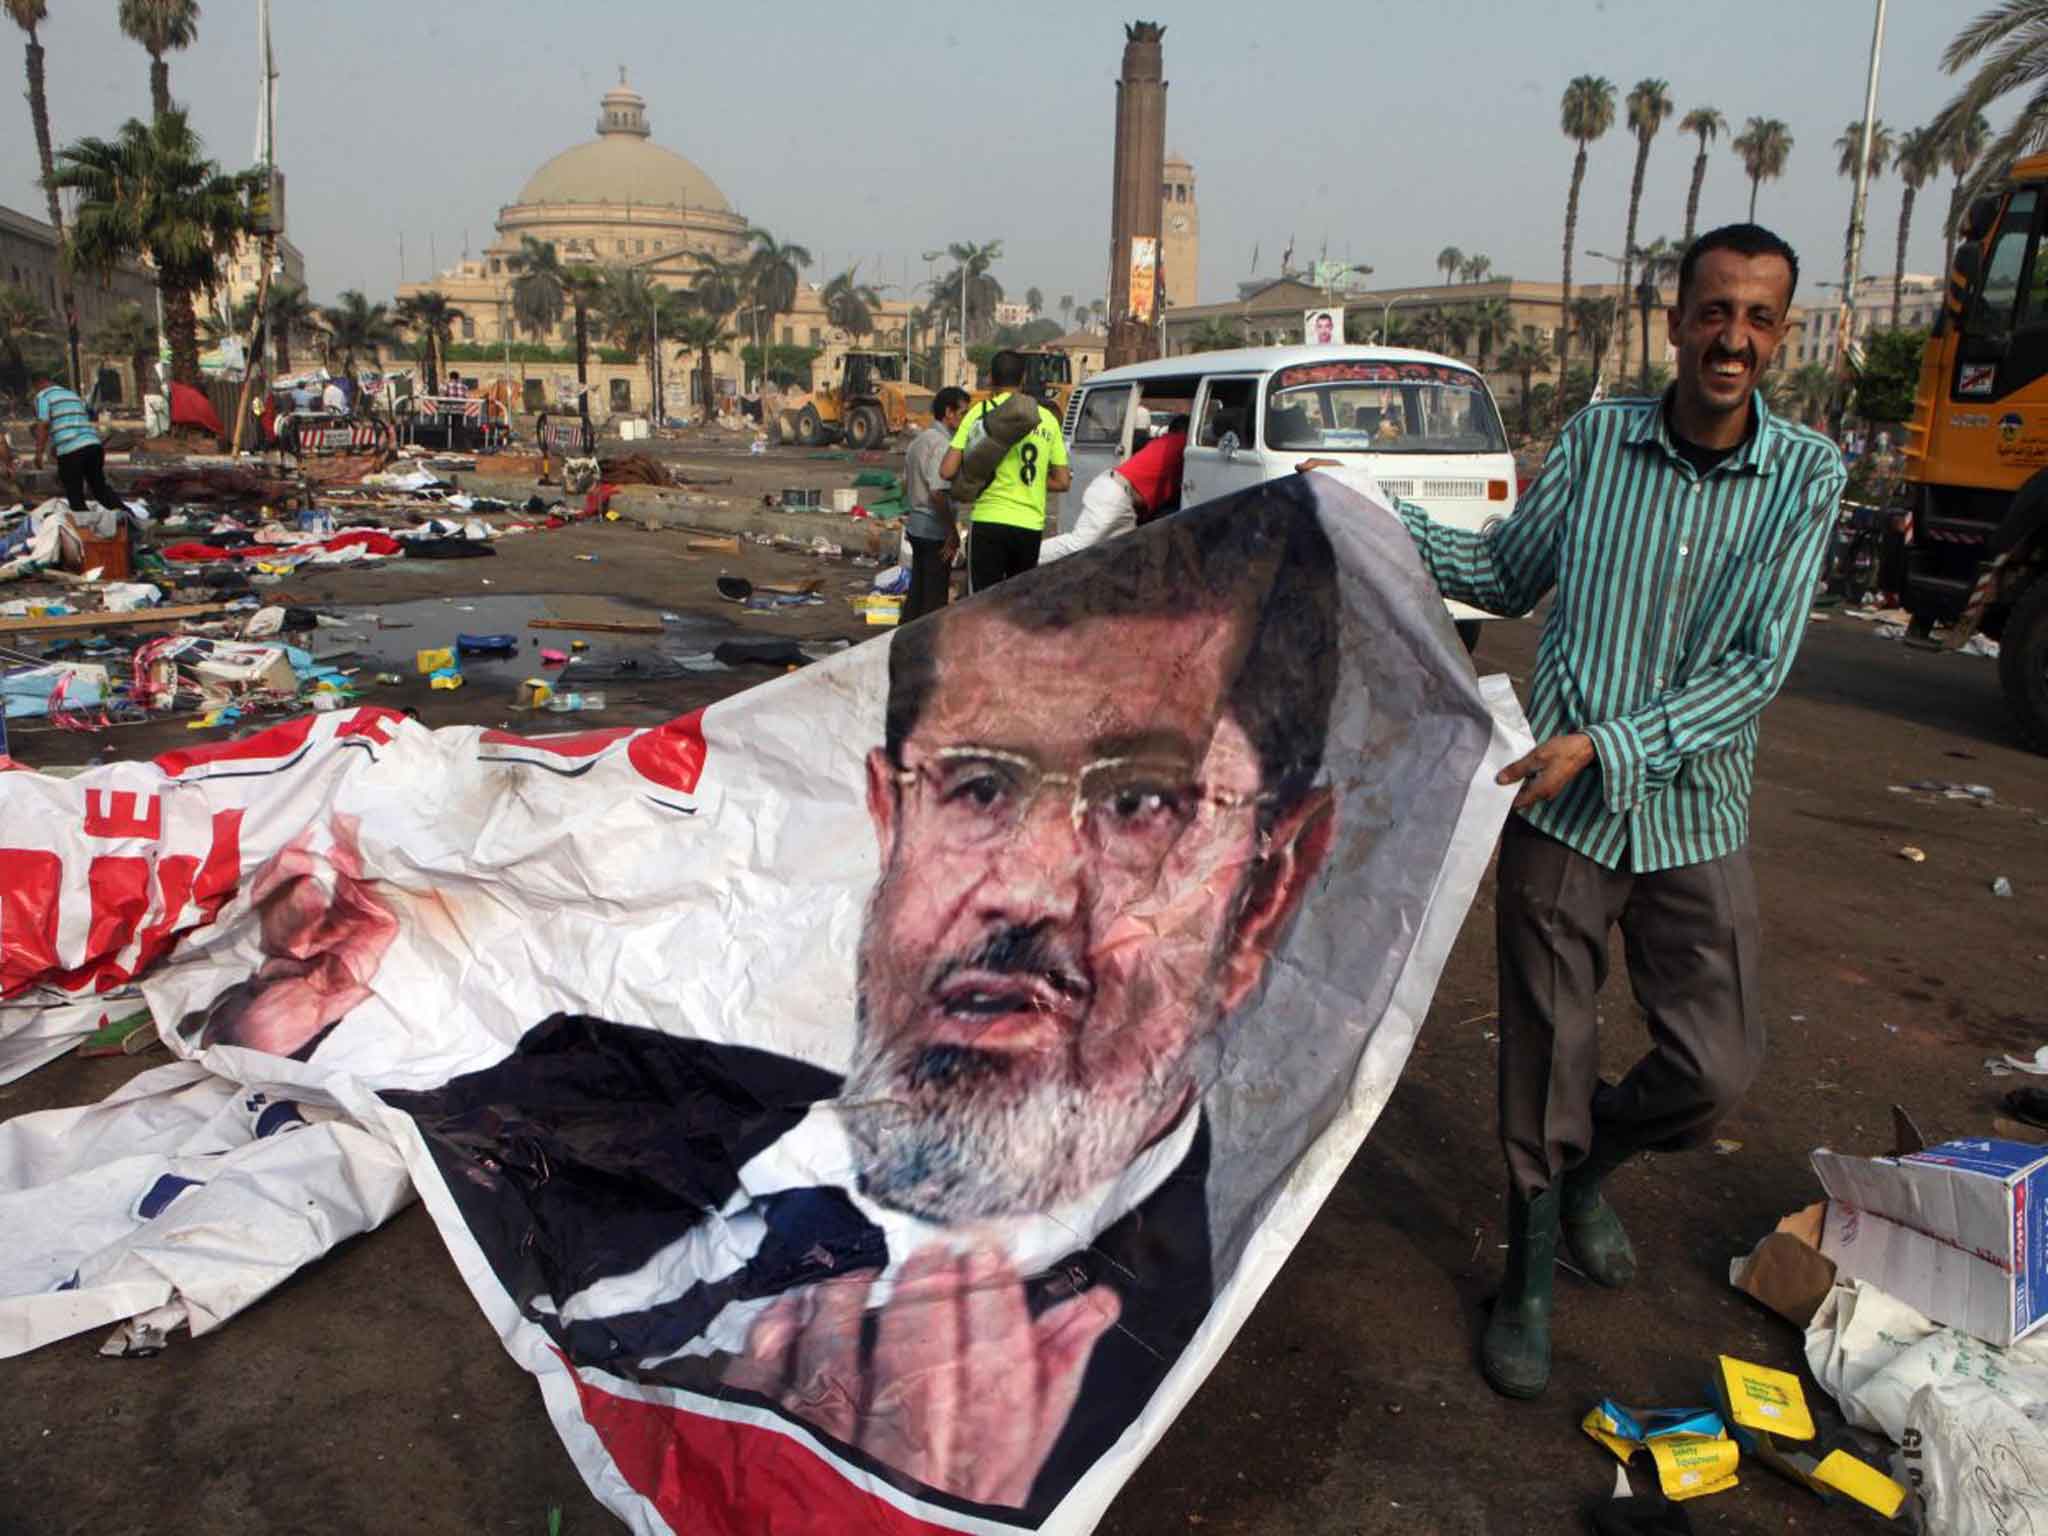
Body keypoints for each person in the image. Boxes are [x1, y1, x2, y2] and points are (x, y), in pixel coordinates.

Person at [204, 489, 1344, 1518]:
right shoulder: (721, 1115)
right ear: (887, 826)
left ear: (1265, 888)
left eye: (1141, 802)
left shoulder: (1096, 1341)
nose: (1025, 891)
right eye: (979, 788)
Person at [1389, 223, 1844, 1400]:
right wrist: (1371, 521)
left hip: (1692, 810)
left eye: (1754, 318)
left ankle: (1586, 1174)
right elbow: (1501, 574)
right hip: (1557, 818)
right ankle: (1527, 1278)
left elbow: (1755, 666)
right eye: (1711, 312)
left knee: (1715, 1064)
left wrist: (1610, 743)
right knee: (1545, 1050)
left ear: (1777, 335)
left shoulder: (1803, 476)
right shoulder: (1597, 441)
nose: (1729, 338)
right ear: (1677, 317)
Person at [939, 349, 1070, 592]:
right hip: (1030, 526)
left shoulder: (980, 413)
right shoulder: (1047, 419)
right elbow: (1062, 482)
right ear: (1022, 379)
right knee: (1018, 604)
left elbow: (946, 471)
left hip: (989, 521)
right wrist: (1031, 481)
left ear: (990, 378)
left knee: (982, 604)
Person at [1040, 413, 1188, 563]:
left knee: (1125, 551)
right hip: (1115, 494)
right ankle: (1026, 557)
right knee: (1078, 544)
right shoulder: (1181, 442)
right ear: (1184, 430)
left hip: (1119, 496)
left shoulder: (1164, 443)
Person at [900, 385, 970, 623]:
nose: (964, 420)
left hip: (916, 525)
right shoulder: (942, 444)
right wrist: (952, 531)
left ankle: (903, 639)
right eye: (962, 413)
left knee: (917, 592)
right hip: (933, 529)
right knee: (933, 600)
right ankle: (924, 648)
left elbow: (905, 484)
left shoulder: (919, 440)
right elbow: (938, 492)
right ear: (949, 413)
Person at [29, 370, 121, 514]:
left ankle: (83, 528)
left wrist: (38, 453)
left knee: (75, 494)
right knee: (100, 489)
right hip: (93, 445)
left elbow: (44, 424)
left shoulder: (43, 396)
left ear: (38, 384)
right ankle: (129, 518)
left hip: (71, 450)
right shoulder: (72, 395)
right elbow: (72, 422)